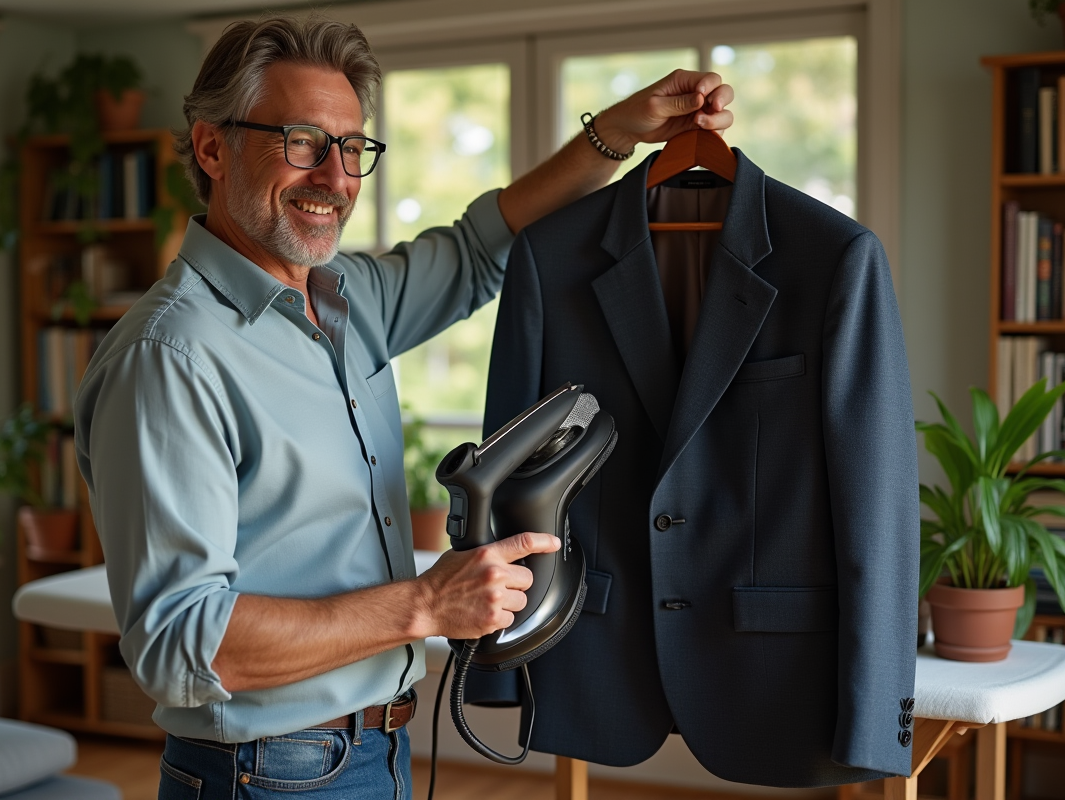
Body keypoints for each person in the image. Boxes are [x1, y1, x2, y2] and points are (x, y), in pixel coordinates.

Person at [74, 14, 733, 800]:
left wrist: (615, 134)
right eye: (302, 142)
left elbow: (482, 247)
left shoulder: (348, 298)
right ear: (212, 148)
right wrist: (426, 604)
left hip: (373, 752)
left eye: (352, 147)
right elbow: (183, 645)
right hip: (266, 774)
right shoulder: (170, 357)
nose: (335, 178)